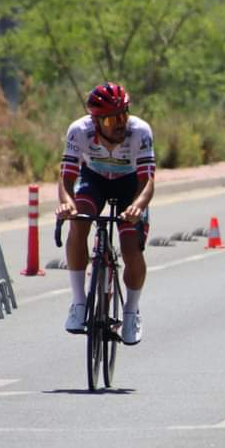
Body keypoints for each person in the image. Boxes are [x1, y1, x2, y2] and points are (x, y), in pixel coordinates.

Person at [57, 83, 155, 346]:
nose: (120, 123)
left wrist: (138, 207)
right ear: (96, 121)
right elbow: (66, 179)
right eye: (112, 119)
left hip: (130, 185)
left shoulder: (140, 132)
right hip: (95, 180)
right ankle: (79, 303)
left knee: (131, 246)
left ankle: (131, 312)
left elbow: (147, 182)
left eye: (124, 115)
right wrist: (66, 203)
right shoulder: (79, 131)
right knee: (78, 223)